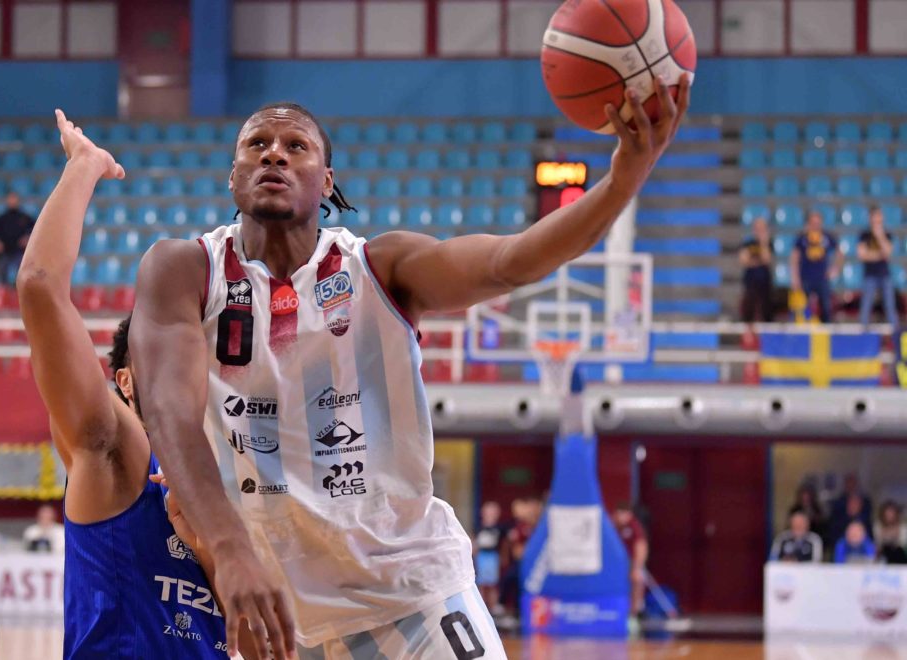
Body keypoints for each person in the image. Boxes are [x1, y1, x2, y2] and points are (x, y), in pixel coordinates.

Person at [129, 75, 690, 659]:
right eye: (257, 144)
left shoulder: (380, 266)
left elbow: (510, 261)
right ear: (233, 176)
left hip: (413, 597)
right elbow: (168, 413)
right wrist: (230, 550)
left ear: (327, 182)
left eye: (296, 146)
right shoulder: (182, 269)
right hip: (280, 620)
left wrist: (622, 181)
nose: (274, 153)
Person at [17, 110, 238, 659]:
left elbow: (258, 643)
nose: (182, 369)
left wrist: (205, 548)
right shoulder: (118, 449)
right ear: (126, 382)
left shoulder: (227, 478)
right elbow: (40, 287)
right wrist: (85, 166)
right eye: (158, 358)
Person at [790, 210, 841, 323]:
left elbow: (840, 253)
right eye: (813, 222)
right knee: (802, 308)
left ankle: (826, 329)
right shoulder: (802, 238)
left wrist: (835, 269)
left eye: (817, 223)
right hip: (805, 278)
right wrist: (795, 277)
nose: (815, 225)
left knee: (826, 308)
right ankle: (803, 329)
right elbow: (794, 257)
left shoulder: (827, 237)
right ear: (809, 223)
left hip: (822, 278)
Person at [858, 206, 899, 332]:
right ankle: (864, 331)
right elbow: (862, 255)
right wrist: (879, 255)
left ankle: (895, 332)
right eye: (875, 216)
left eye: (879, 216)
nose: (877, 219)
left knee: (890, 305)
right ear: (870, 218)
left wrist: (880, 236)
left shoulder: (886, 234)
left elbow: (888, 251)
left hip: (884, 274)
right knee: (866, 304)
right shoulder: (865, 235)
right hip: (869, 274)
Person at [0, 192, 35, 284]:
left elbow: (34, 230)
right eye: (10, 199)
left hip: (20, 252)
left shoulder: (25, 218)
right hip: (5, 252)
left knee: (22, 274)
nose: (12, 201)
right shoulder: (1, 219)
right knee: (2, 272)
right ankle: (3, 289)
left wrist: (28, 239)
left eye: (14, 199)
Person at [613, 503, 648, 616]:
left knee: (636, 582)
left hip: (632, 562)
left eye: (622, 514)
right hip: (618, 563)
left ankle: (634, 614)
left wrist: (637, 568)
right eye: (618, 514)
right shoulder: (613, 527)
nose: (619, 517)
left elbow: (641, 547)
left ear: (629, 515)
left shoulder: (634, 527)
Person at [474, 501, 506, 614]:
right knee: (481, 583)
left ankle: (493, 606)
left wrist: (503, 556)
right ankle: (481, 606)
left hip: (492, 557)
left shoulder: (499, 528)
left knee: (492, 584)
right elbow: (475, 542)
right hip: (481, 557)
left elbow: (505, 544)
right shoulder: (479, 527)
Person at [740, 217, 774, 323]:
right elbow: (744, 260)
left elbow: (767, 259)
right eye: (757, 228)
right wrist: (759, 261)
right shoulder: (748, 243)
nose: (760, 231)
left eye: (762, 228)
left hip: (764, 279)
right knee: (749, 303)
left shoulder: (768, 243)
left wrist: (763, 243)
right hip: (750, 279)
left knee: (766, 304)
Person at [875, 500, 907, 564]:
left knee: (897, 551)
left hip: (900, 558)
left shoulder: (902, 527)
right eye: (887, 513)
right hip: (883, 558)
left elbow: (903, 544)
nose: (889, 515)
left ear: (896, 514)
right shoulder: (878, 526)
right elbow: (878, 544)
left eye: (891, 512)